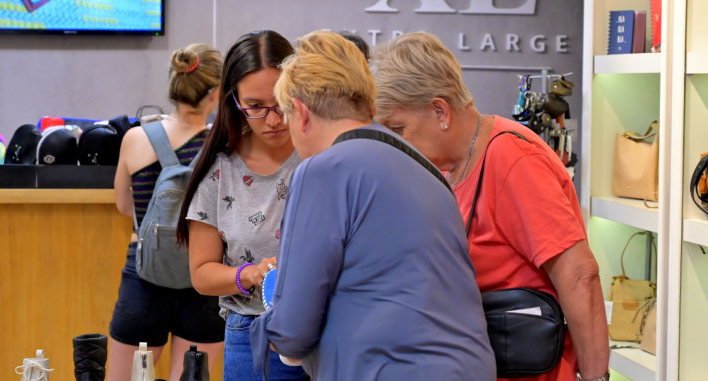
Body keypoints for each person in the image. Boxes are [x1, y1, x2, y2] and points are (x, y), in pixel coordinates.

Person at [249, 30, 496, 381]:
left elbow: (292, 330)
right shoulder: (429, 173)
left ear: (301, 113)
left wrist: (269, 324)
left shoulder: (323, 170)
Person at [370, 32, 610, 381]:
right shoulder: (453, 167)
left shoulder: (511, 160)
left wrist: (594, 378)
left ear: (440, 110)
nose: (397, 143)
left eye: (399, 128)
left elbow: (579, 275)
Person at [176, 30, 308, 381]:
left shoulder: (319, 155)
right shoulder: (219, 172)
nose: (273, 120)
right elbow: (202, 273)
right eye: (256, 107)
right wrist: (247, 275)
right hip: (254, 334)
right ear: (233, 102)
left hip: (328, 331)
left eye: (282, 103)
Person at [111, 44, 225, 380]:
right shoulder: (224, 146)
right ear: (216, 92)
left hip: (145, 275)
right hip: (204, 278)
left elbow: (122, 205)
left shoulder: (135, 138)